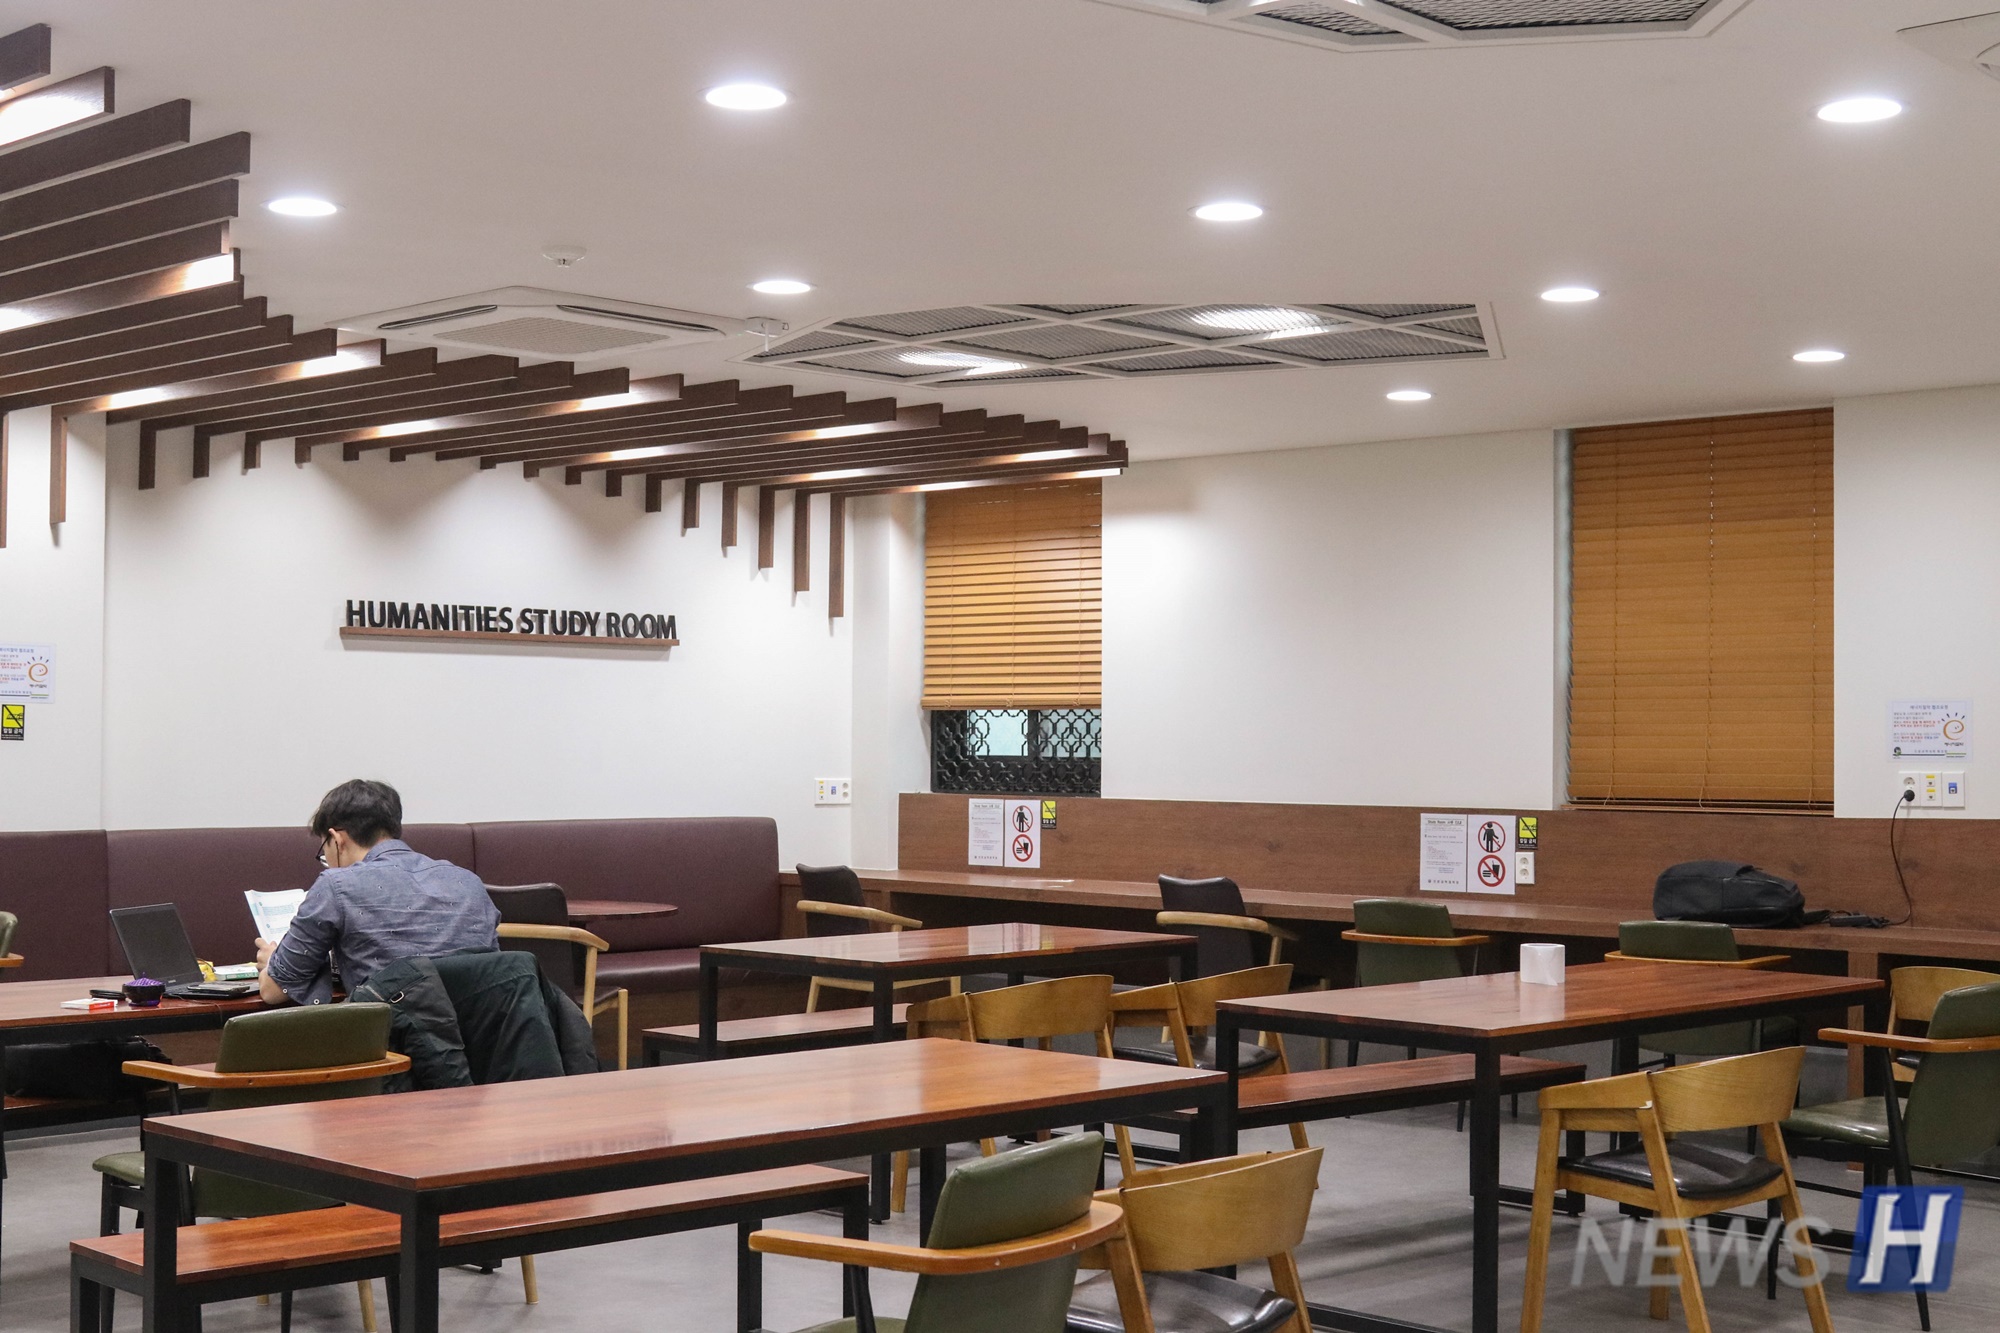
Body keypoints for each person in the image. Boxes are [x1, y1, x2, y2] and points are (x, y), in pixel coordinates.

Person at [257, 779, 499, 1006]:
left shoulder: (337, 885)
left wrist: (272, 963)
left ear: (337, 839)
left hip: (396, 1032)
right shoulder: (469, 882)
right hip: (481, 1033)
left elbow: (273, 991)